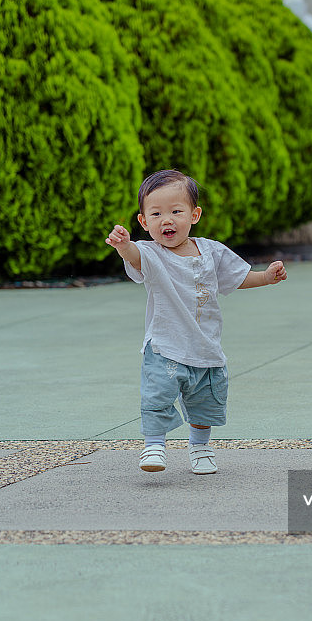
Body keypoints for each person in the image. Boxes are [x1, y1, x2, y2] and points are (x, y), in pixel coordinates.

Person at [106, 169, 287, 475]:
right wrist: (124, 246)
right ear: (143, 221)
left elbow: (238, 277)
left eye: (177, 211)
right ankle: (154, 445)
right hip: (165, 345)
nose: (167, 220)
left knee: (205, 402)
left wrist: (266, 278)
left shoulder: (212, 251)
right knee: (158, 394)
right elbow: (135, 258)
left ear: (194, 215)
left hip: (206, 346)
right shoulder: (151, 253)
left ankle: (200, 446)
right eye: (157, 213)